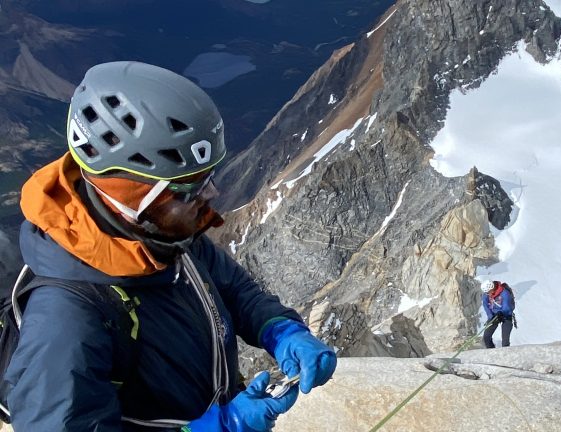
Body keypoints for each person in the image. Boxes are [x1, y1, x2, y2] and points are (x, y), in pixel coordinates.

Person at [3, 61, 337, 431]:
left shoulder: (163, 237)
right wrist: (217, 427)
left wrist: (282, 331)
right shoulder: (65, 323)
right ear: (132, 197)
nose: (211, 194)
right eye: (187, 189)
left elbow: (231, 288)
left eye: (208, 178)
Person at [481, 279, 516, 348]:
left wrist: (501, 314)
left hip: (506, 315)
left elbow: (507, 307)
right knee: (486, 337)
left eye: (488, 292)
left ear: (492, 288)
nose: (488, 294)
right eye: (487, 293)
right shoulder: (486, 294)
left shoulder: (504, 293)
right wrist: (490, 316)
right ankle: (492, 351)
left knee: (505, 340)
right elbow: (485, 305)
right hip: (494, 316)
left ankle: (505, 354)